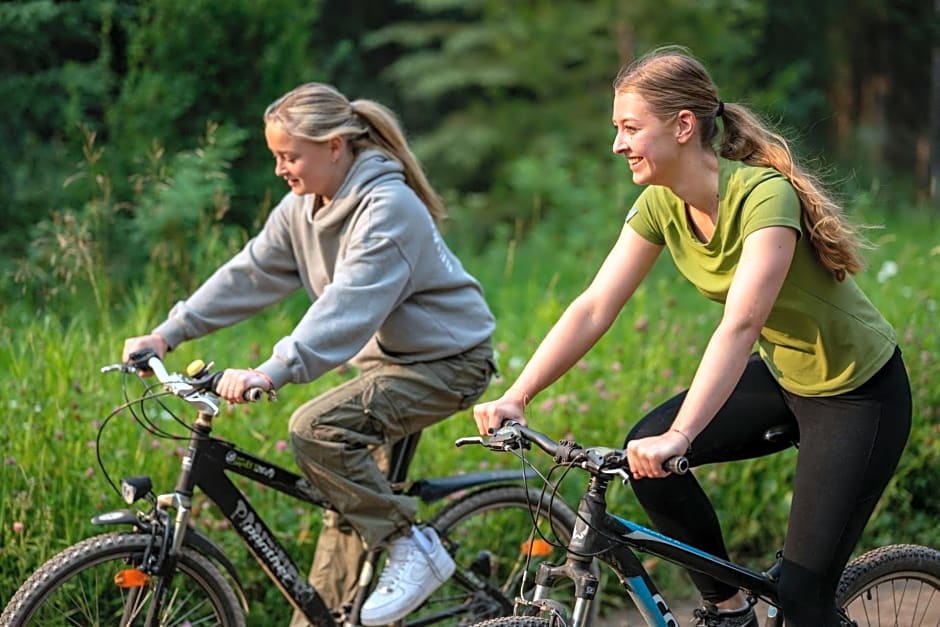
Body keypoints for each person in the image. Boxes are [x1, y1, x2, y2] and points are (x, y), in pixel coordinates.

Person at [473, 46, 911, 627]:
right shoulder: (660, 203)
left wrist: (683, 435)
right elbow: (594, 306)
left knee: (805, 603)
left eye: (630, 127)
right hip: (785, 376)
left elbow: (742, 322)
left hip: (859, 394)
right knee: (638, 454)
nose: (617, 143)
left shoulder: (762, 195)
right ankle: (730, 610)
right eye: (616, 128)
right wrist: (518, 394)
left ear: (683, 127)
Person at [123, 82, 496, 626]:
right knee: (344, 507)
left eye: (290, 155)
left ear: (336, 147)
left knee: (317, 430)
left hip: (449, 363)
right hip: (387, 364)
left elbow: (348, 306)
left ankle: (410, 544)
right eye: (276, 156)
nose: (280, 169)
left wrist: (273, 371)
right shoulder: (303, 206)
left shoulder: (388, 208)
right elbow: (248, 274)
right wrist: (168, 333)